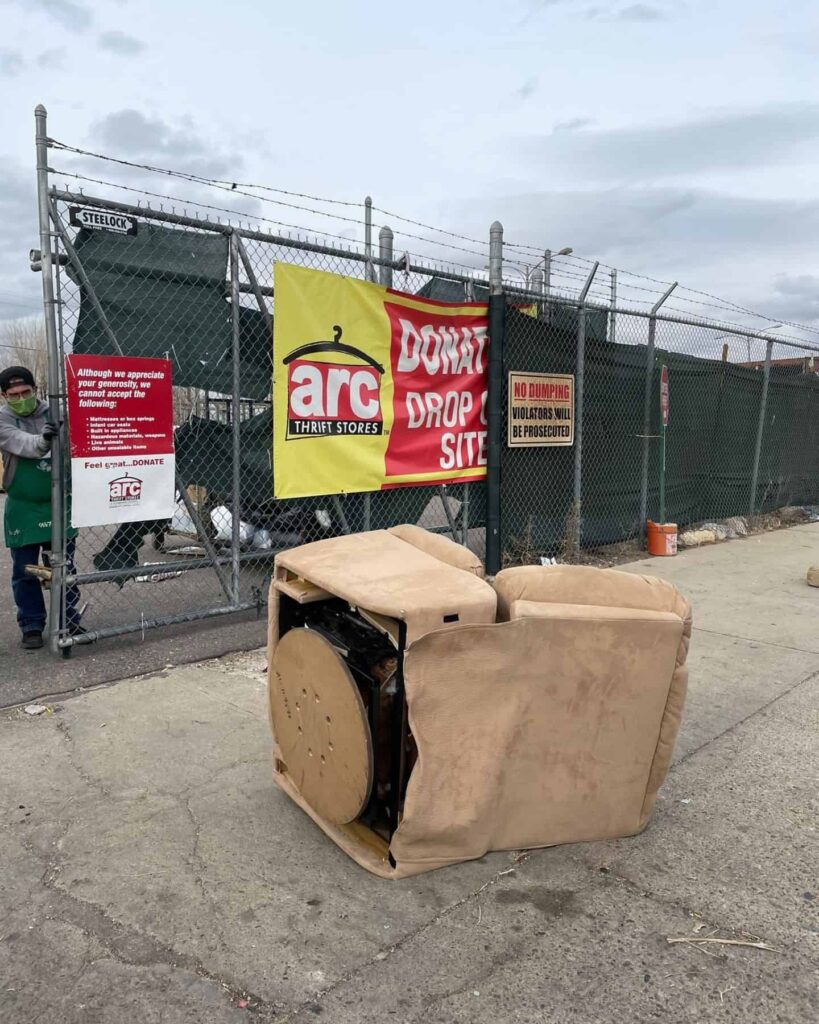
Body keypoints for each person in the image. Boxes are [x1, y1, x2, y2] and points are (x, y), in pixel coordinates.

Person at [0, 365, 81, 649]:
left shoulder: (56, 412)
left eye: (26, 392)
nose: (21, 398)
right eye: (14, 395)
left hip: (60, 504)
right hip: (24, 506)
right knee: (26, 570)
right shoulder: (2, 420)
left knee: (63, 567)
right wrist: (45, 439)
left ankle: (68, 620)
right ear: (4, 396)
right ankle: (32, 624)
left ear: (35, 390)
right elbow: (22, 443)